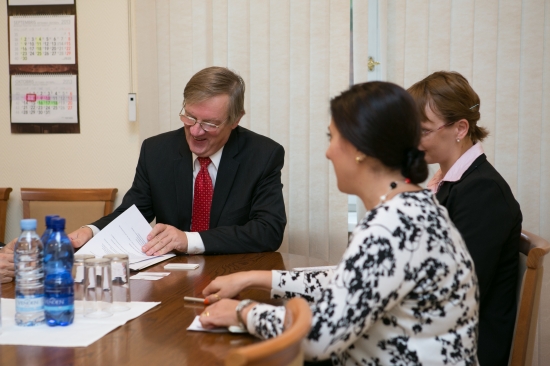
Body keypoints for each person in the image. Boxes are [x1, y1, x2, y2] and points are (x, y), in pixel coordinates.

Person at [198, 81, 479, 365]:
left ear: (360, 149)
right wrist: (258, 278)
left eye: (332, 137)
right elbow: (351, 280)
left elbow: (317, 338)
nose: (328, 152)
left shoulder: (392, 226)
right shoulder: (412, 206)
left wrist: (242, 312)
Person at [69, 67, 286, 255]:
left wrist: (188, 240)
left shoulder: (263, 155)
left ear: (235, 119)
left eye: (210, 123)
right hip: (171, 274)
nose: (195, 131)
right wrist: (91, 231)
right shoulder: (156, 151)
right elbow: (132, 214)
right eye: (189, 117)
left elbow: (268, 231)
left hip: (233, 271)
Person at [407, 71, 522, 366]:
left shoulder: (483, 190)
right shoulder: (449, 183)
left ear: (460, 128)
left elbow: (456, 292)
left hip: (463, 348)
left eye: (423, 130)